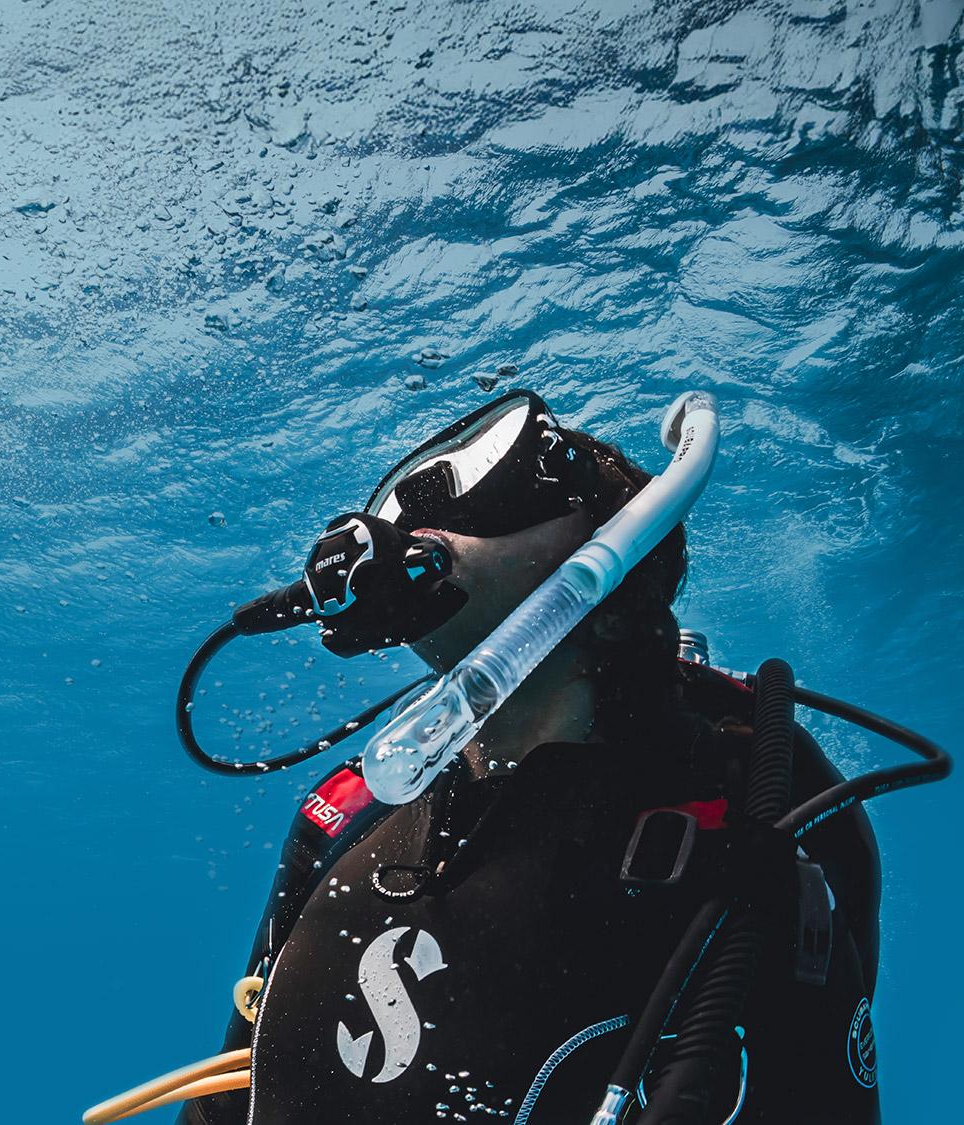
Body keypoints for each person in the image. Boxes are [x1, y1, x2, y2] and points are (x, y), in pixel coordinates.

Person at [181, 393, 882, 1124]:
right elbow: (230, 1093)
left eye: (509, 489)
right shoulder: (349, 813)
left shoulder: (747, 810)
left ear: (615, 591)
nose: (425, 524)